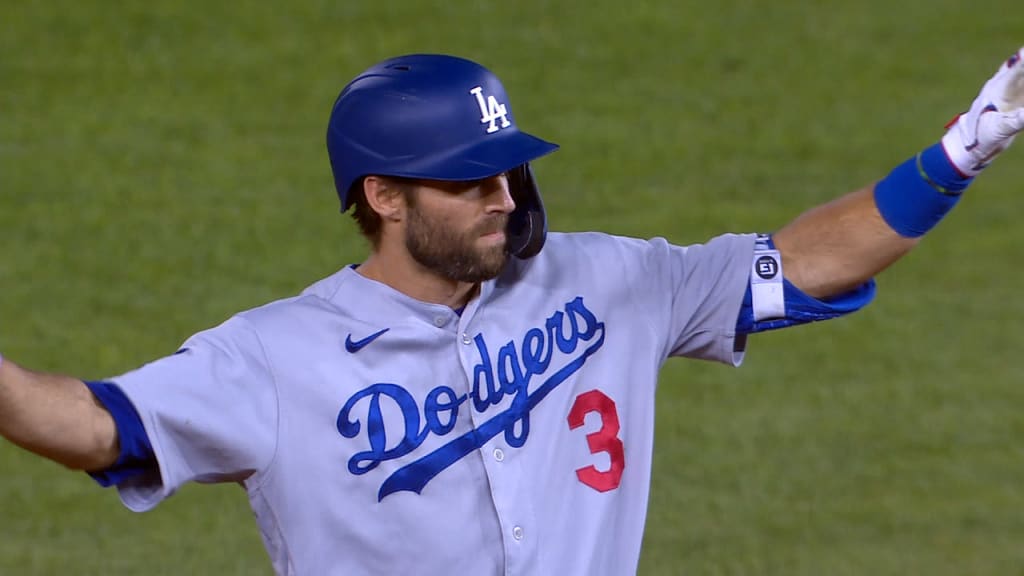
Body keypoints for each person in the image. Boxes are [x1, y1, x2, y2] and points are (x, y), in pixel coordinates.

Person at [2, 49, 1023, 575]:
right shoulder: (274, 359)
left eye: (508, 170)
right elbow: (95, 427)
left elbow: (802, 261)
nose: (504, 195)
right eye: (468, 181)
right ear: (383, 198)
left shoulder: (608, 281)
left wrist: (960, 151)